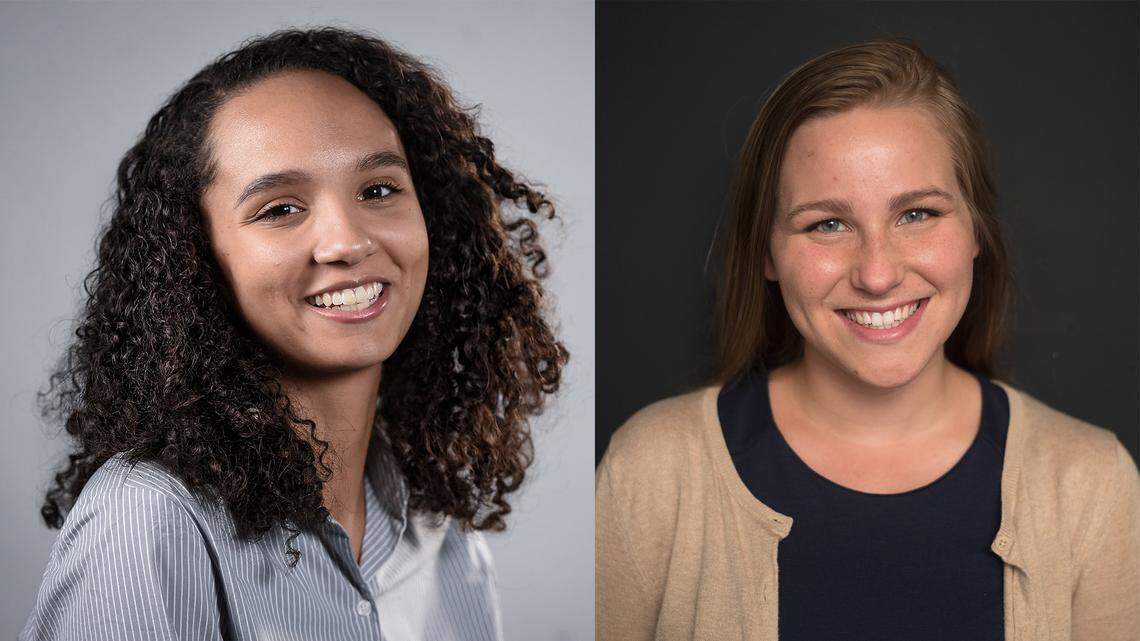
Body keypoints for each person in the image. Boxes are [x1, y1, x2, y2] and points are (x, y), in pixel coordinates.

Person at [21, 26, 567, 641]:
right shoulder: (152, 519)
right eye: (280, 208)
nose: (348, 241)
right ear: (194, 257)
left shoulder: (438, 531)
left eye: (379, 189)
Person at [596, 39, 1139, 641]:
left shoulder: (1093, 485)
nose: (877, 274)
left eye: (918, 214)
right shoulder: (651, 472)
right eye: (827, 224)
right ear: (768, 252)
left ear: (976, 232)